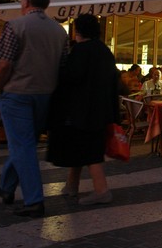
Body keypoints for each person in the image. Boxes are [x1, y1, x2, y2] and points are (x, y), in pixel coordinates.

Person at [0, 0, 69, 218]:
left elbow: (4, 64)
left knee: (22, 146)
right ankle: (6, 186)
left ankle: (34, 200)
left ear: (26, 2)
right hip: (45, 94)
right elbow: (63, 66)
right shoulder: (59, 31)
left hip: (17, 92)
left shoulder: (15, 26)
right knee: (26, 143)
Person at [47, 14, 120, 206]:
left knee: (90, 151)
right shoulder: (104, 51)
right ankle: (71, 185)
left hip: (81, 111)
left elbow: (71, 78)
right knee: (82, 147)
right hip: (101, 110)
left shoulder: (80, 51)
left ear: (77, 31)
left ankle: (101, 190)